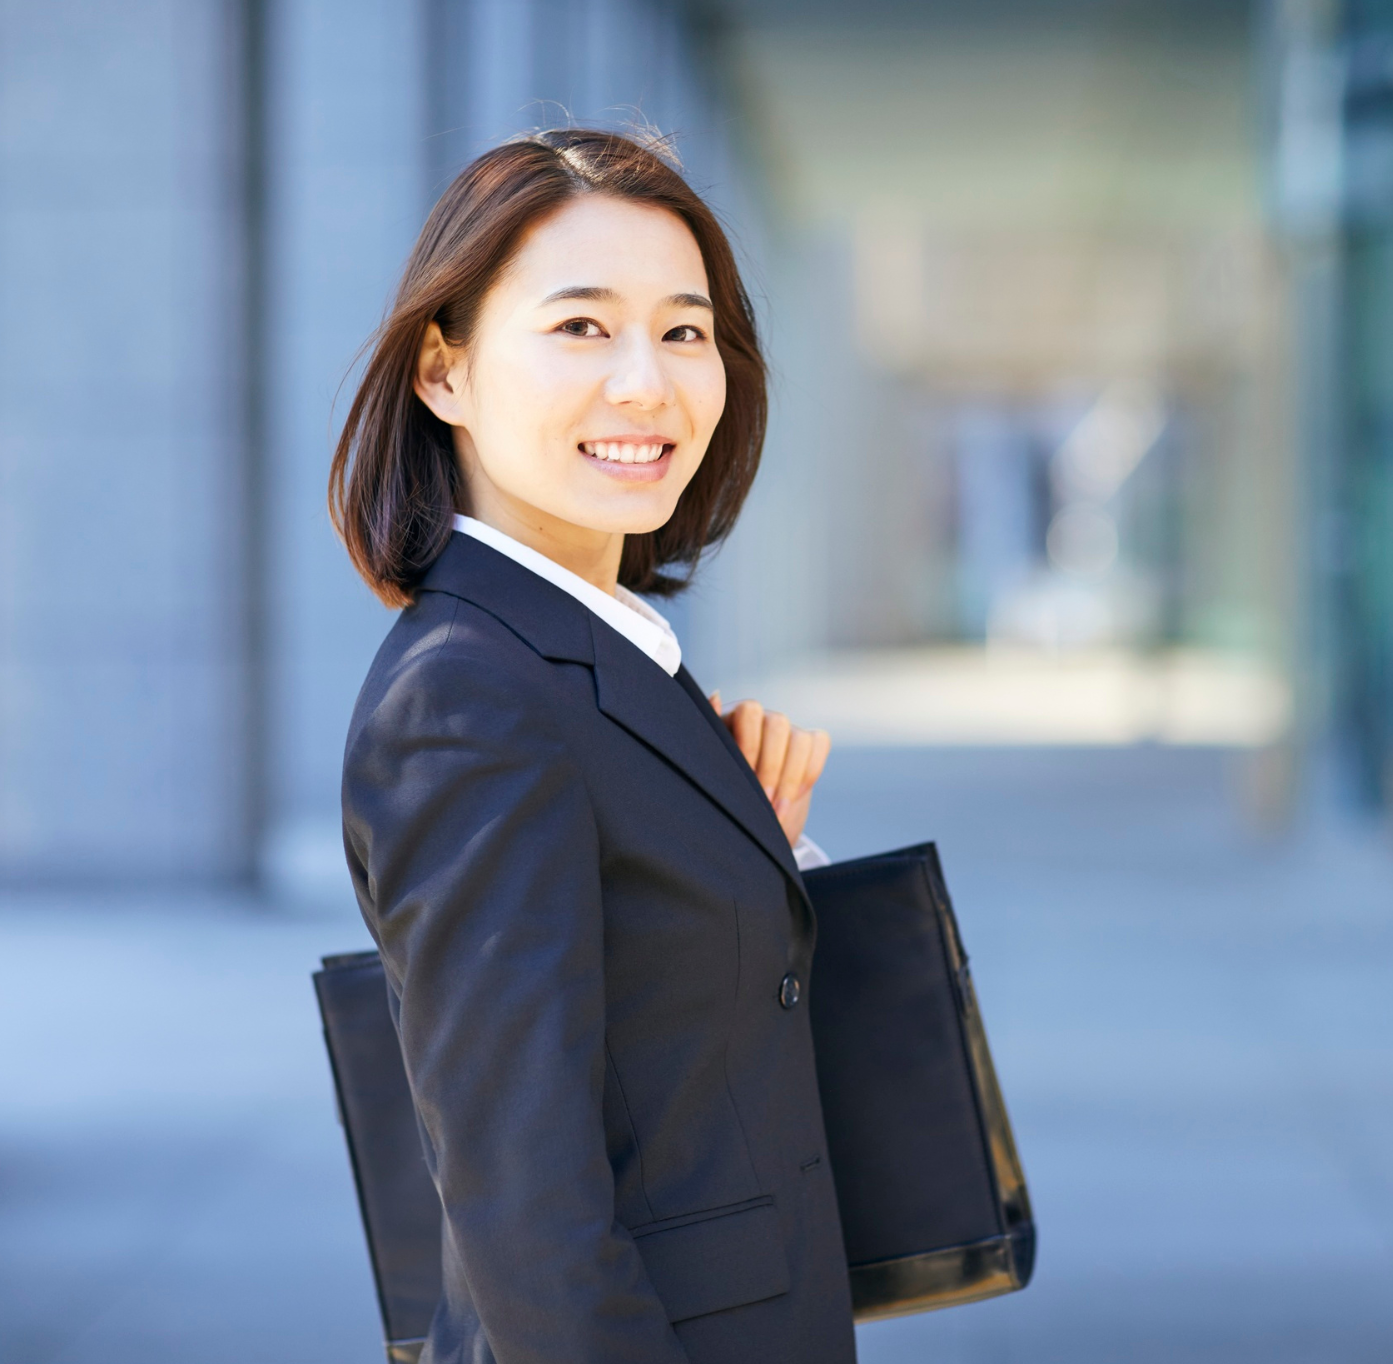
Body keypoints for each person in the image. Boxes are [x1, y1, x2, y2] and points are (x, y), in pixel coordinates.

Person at [331, 129, 852, 1364]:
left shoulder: (597, 657)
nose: (646, 384)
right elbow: (527, 1219)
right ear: (443, 371)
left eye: (683, 331)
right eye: (580, 326)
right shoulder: (465, 701)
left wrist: (739, 851)